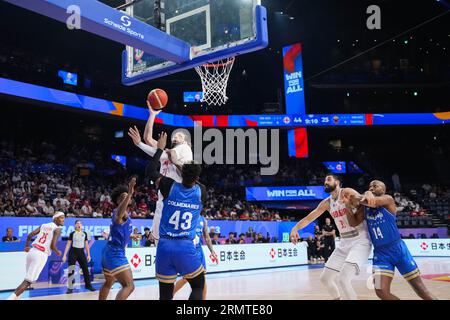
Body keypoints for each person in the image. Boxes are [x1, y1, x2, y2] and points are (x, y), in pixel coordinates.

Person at [340, 180, 436, 300]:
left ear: (383, 189)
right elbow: (353, 222)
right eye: (369, 186)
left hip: (399, 250)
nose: (372, 188)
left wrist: (358, 194)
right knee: (380, 291)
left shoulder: (388, 199)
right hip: (380, 255)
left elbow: (373, 201)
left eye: (375, 186)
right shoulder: (365, 208)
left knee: (420, 289)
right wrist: (347, 205)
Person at [144, 131, 206, 300]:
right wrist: (178, 162)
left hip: (164, 246)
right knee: (198, 286)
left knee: (165, 295)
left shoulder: (168, 186)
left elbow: (150, 171)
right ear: (196, 177)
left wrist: (160, 150)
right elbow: (192, 178)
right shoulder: (201, 192)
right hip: (184, 246)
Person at [290, 174, 372, 300]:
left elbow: (364, 200)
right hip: (345, 242)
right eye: (324, 181)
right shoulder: (327, 203)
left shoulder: (347, 192)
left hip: (360, 241)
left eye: (328, 179)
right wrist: (295, 228)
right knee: (325, 279)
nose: (325, 182)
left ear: (337, 182)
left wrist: (367, 193)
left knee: (344, 279)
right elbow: (309, 218)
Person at [129, 102, 193, 246]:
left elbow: (162, 151)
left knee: (179, 243)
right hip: (162, 200)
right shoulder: (166, 154)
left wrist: (154, 147)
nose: (176, 137)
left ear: (186, 142)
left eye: (180, 136)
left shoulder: (185, 149)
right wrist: (152, 115)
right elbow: (148, 139)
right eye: (175, 135)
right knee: (159, 243)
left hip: (178, 199)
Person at [7, 212, 65, 300]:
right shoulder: (57, 229)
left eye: (64, 218)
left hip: (32, 251)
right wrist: (58, 251)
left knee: (27, 279)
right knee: (28, 281)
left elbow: (30, 235)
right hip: (41, 255)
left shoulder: (43, 225)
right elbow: (52, 246)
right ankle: (10, 298)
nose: (63, 219)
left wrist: (26, 246)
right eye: (61, 218)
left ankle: (17, 297)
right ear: (55, 219)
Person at [98, 177, 136, 300]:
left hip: (109, 251)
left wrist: (131, 236)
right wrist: (129, 192)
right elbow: (119, 215)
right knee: (129, 286)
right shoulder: (118, 213)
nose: (126, 198)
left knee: (109, 282)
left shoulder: (126, 215)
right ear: (118, 201)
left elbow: (119, 231)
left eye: (127, 196)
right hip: (115, 253)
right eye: (122, 197)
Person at [173, 211, 218, 299]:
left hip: (199, 250)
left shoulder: (203, 220)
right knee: (186, 278)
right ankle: (170, 295)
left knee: (202, 278)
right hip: (188, 249)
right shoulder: (187, 216)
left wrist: (212, 251)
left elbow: (207, 236)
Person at [62, 220, 95, 293]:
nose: (79, 224)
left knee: (85, 269)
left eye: (80, 223)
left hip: (81, 252)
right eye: (77, 223)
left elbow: (86, 245)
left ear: (82, 225)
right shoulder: (72, 233)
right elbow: (68, 245)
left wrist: (89, 255)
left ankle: (88, 285)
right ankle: (70, 287)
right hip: (73, 252)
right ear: (75, 225)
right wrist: (64, 255)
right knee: (71, 269)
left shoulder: (84, 234)